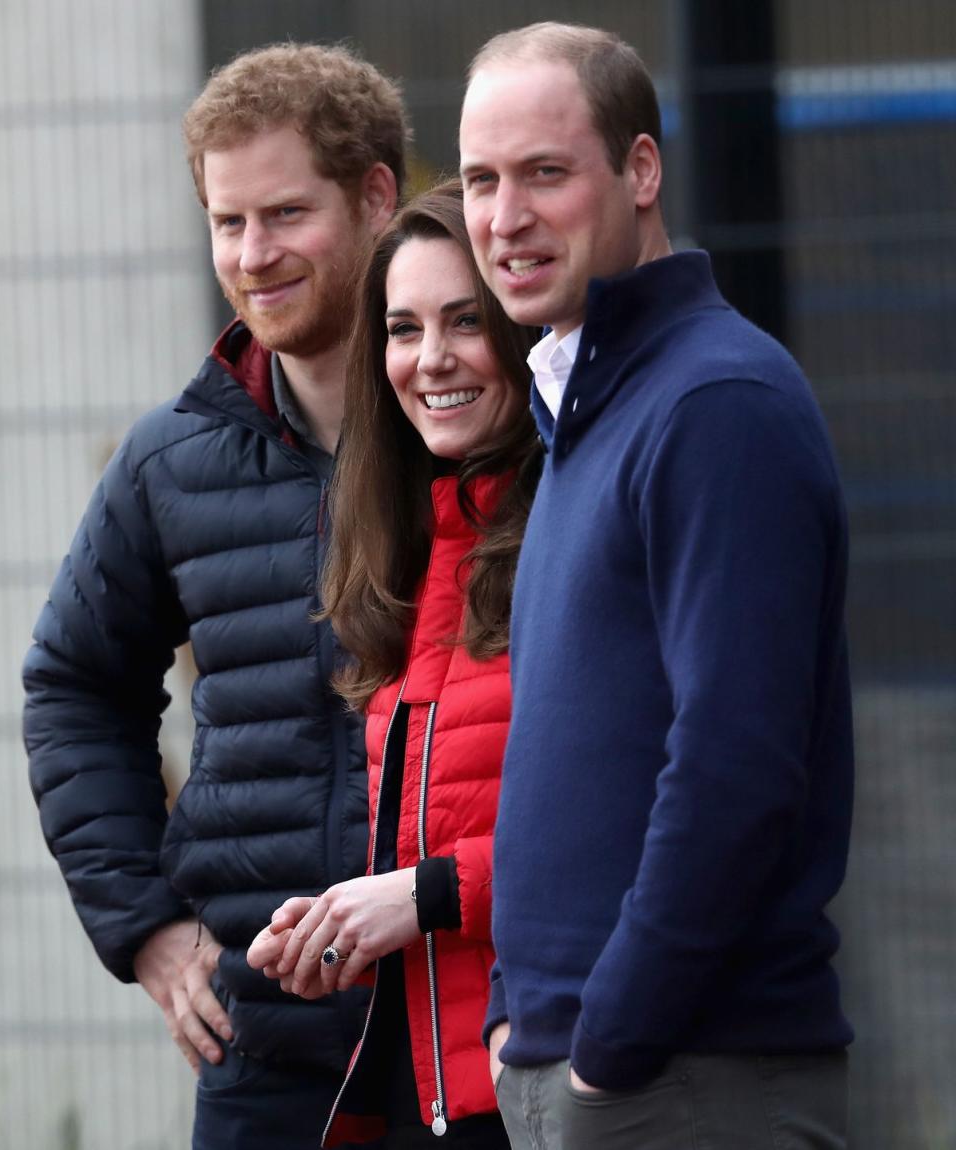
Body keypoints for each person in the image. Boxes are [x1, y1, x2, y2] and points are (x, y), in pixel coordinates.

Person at [458, 21, 855, 1150]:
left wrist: (607, 1040)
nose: (504, 217)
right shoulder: (586, 409)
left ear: (640, 170)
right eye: (483, 179)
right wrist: (518, 1017)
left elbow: (736, 761)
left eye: (545, 172)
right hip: (595, 1074)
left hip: (685, 1079)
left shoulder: (713, 403)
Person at [22, 42, 407, 1150]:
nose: (253, 254)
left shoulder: (481, 425)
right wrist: (143, 926)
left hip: (471, 1027)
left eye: (285, 214)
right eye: (228, 222)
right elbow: (71, 684)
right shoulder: (171, 458)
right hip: (266, 1051)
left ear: (377, 195)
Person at [246, 181, 541, 1148]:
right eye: (404, 329)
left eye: (466, 321)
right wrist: (342, 926)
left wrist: (413, 899)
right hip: (428, 1091)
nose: (432, 359)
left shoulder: (574, 532)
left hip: (542, 1081)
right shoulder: (410, 555)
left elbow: (612, 830)